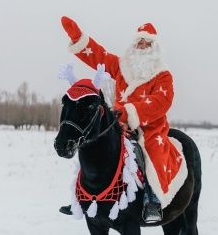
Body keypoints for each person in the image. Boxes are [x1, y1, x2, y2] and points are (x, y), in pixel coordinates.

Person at [60, 16, 187, 223]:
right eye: (139, 42)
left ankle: (151, 200)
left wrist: (129, 111)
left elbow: (161, 102)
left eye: (147, 43)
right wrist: (79, 39)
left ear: (154, 47)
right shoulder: (121, 66)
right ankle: (81, 198)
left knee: (152, 153)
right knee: (92, 145)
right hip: (117, 125)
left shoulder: (163, 75)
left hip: (149, 128)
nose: (142, 46)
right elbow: (99, 57)